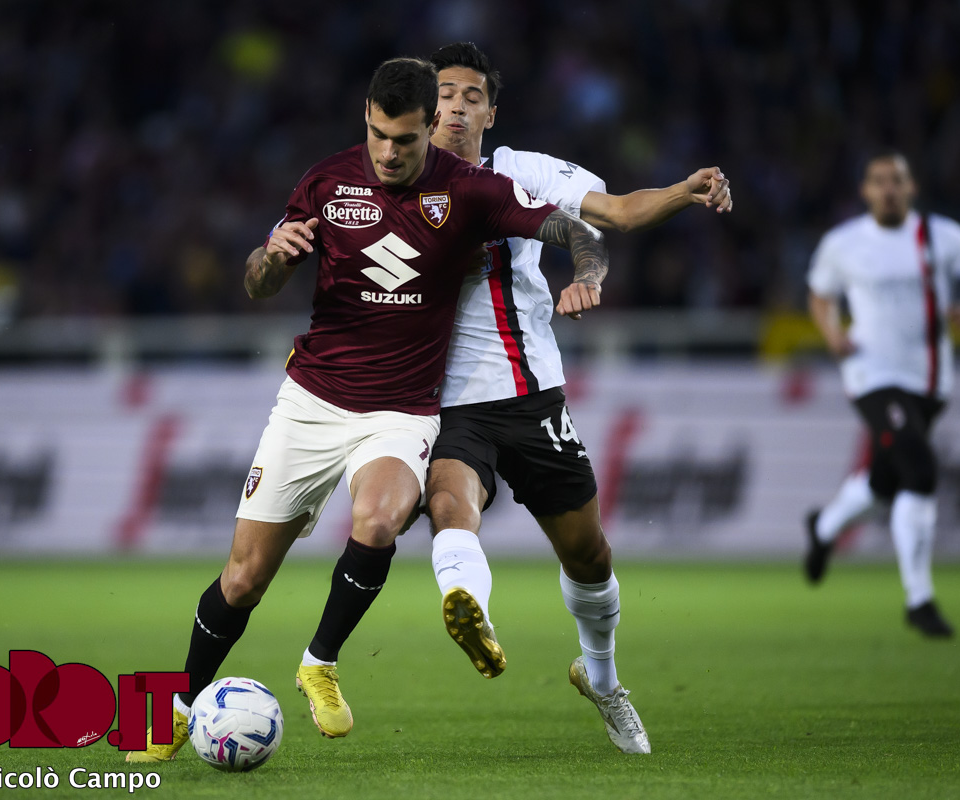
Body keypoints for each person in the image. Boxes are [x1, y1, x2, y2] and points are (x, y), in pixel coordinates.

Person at [127, 56, 612, 761]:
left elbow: (579, 231)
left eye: (405, 140)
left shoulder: (471, 190)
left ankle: (318, 662)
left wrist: (588, 274)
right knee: (244, 578)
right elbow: (258, 283)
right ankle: (174, 709)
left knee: (380, 520)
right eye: (379, 136)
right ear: (366, 117)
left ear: (430, 128)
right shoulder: (325, 183)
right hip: (312, 400)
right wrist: (272, 256)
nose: (389, 153)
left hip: (402, 411)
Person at [422, 42, 733, 755]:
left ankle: (602, 677)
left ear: (491, 113)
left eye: (473, 97)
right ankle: (468, 605)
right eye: (445, 94)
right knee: (449, 504)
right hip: (448, 402)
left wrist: (682, 191)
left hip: (531, 392)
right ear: (425, 104)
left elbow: (614, 213)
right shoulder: (393, 181)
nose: (458, 107)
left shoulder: (522, 172)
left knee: (588, 555)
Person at [803, 150, 960, 638]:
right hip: (870, 375)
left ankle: (824, 528)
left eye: (897, 180)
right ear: (865, 190)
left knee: (884, 484)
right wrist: (832, 334)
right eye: (879, 181)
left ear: (911, 188)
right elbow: (820, 296)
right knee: (919, 468)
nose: (888, 189)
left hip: (930, 382)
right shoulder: (843, 243)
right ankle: (919, 600)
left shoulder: (946, 238)